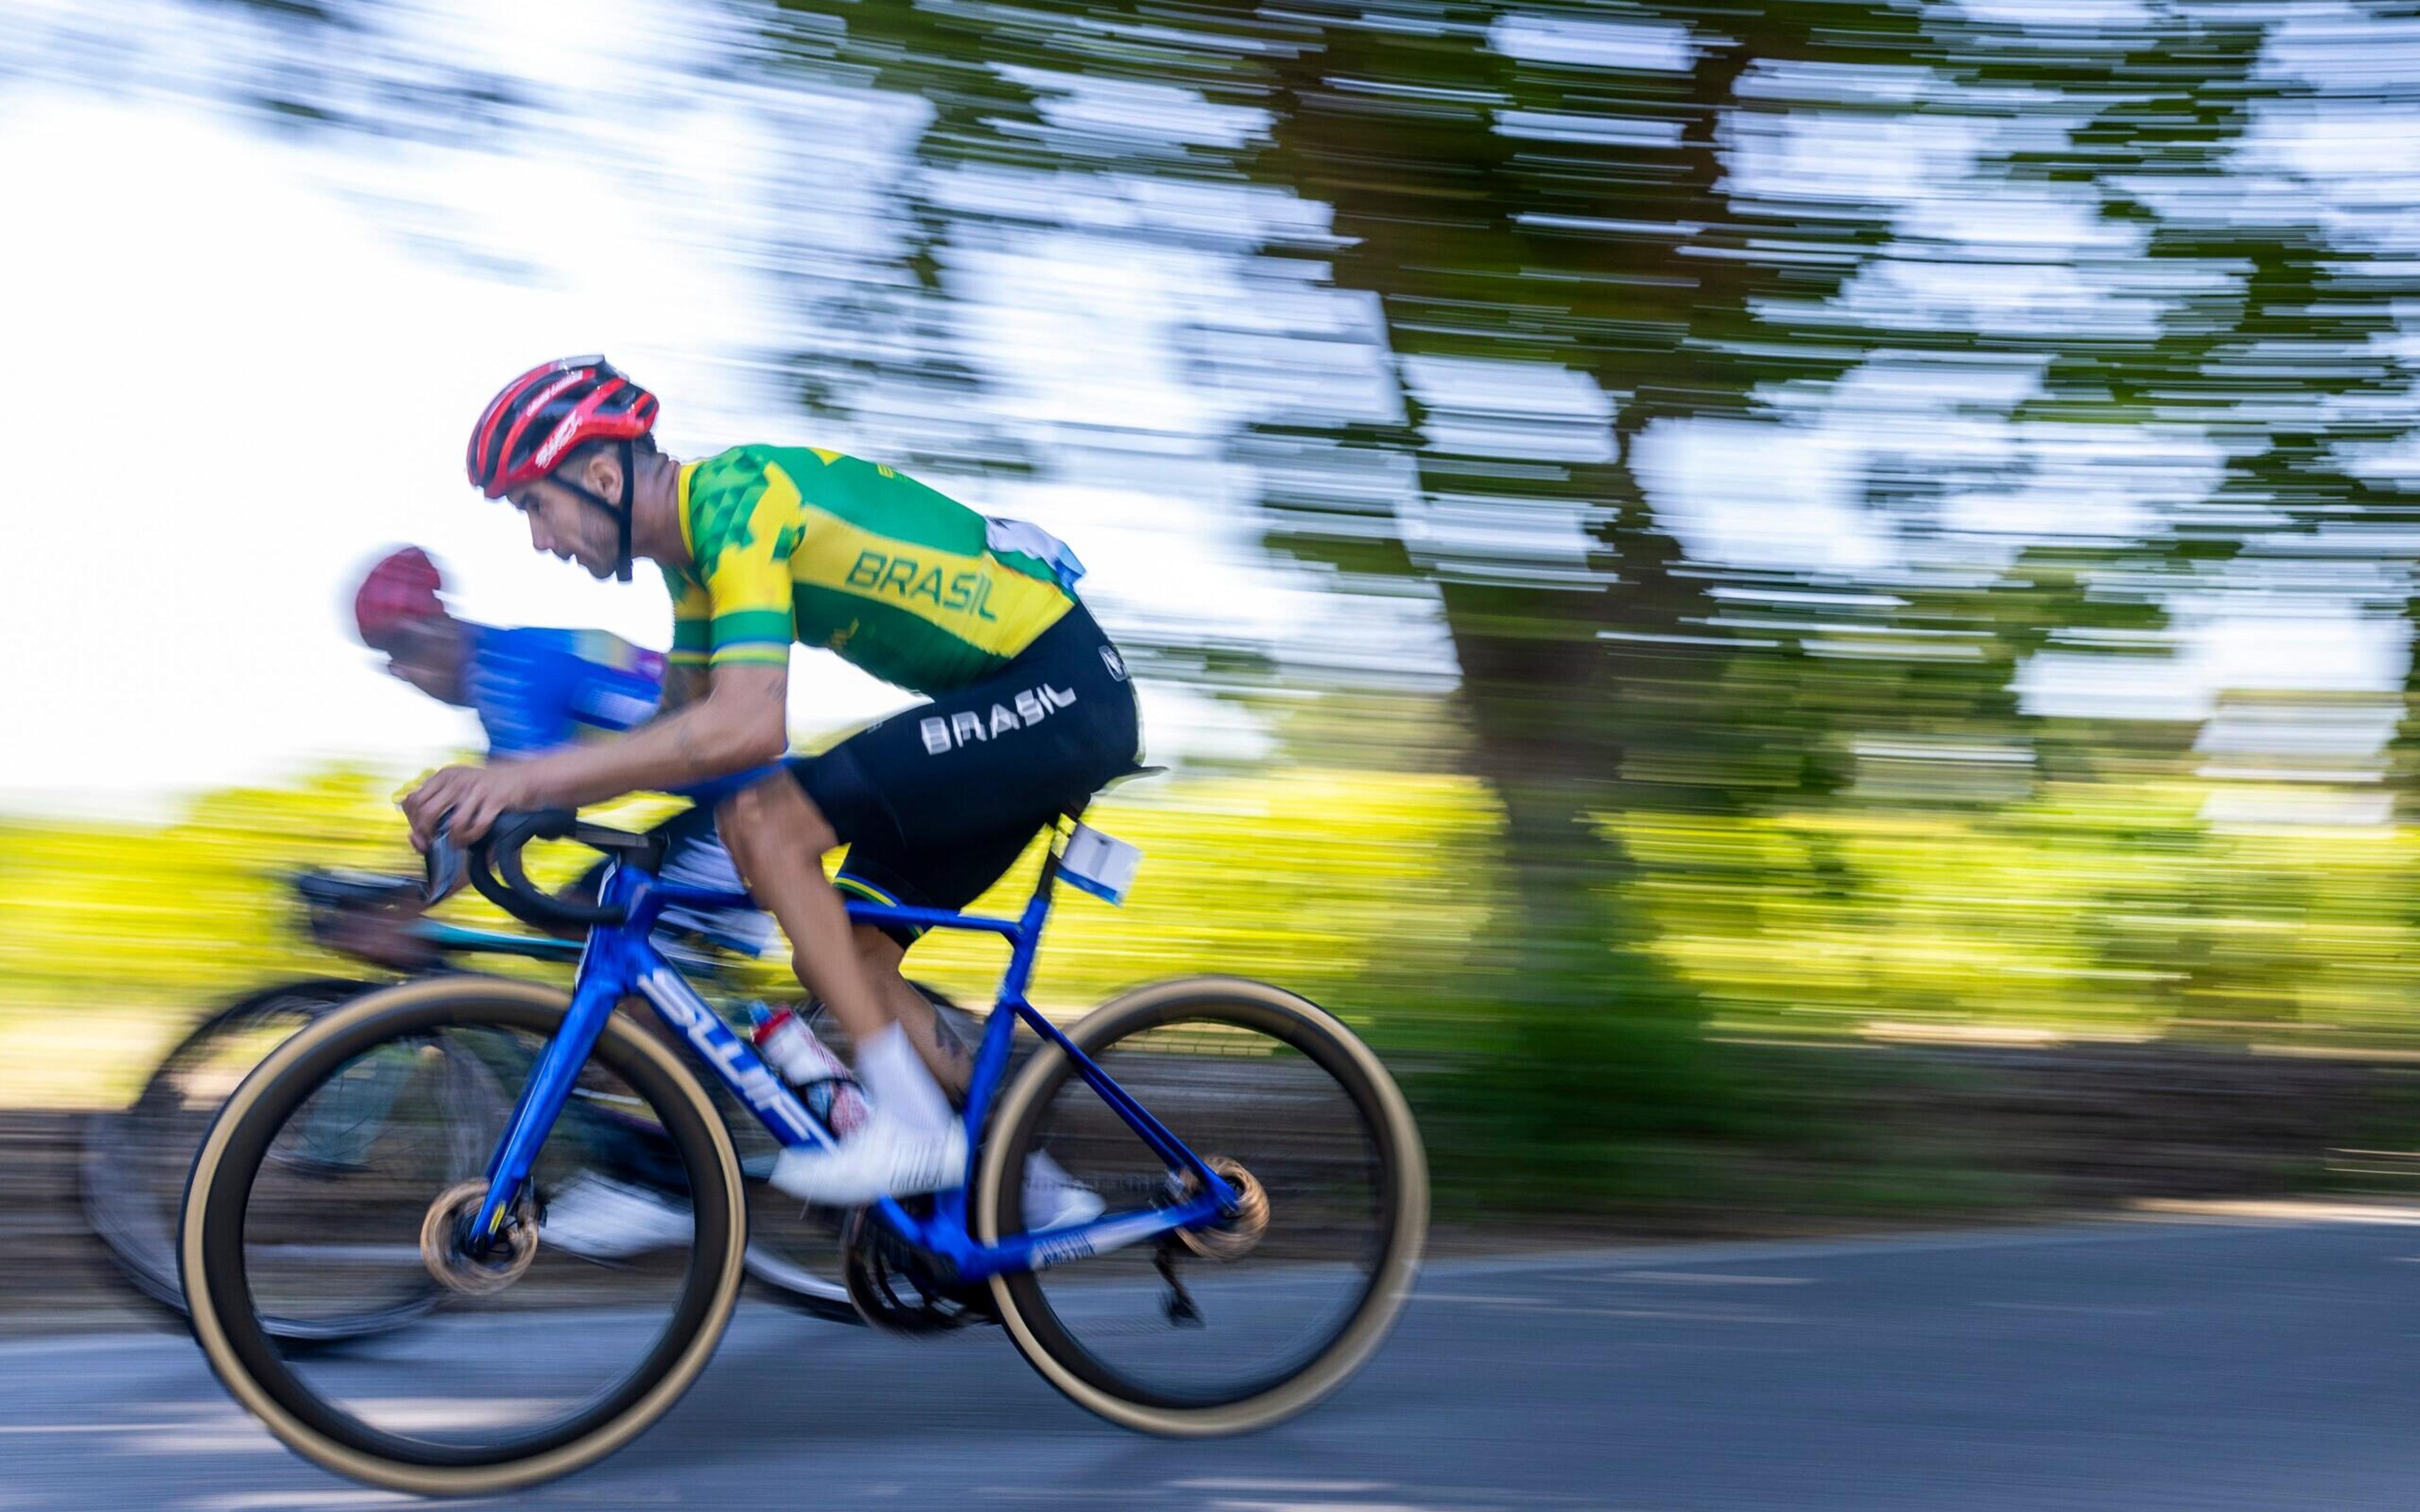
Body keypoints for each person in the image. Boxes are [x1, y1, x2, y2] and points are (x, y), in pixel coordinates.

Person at [403, 357, 1136, 1220]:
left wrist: (521, 774)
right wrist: (515, 804)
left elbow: (748, 730)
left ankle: (908, 1126)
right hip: (1012, 710)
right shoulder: (694, 573)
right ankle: (1041, 1188)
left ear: (602, 474)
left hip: (1061, 690)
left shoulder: (736, 501)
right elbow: (676, 739)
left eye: (535, 504)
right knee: (848, 963)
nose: (538, 537)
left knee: (766, 821)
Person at [354, 544, 771, 1256]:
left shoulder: (508, 673)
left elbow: (490, 824)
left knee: (622, 974)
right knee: (596, 928)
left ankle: (675, 1182)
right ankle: (713, 1099)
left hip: (753, 804)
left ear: (443, 620)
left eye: (408, 646)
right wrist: (399, 902)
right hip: (720, 801)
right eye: (390, 659)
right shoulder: (507, 665)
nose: (408, 672)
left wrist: (393, 914)